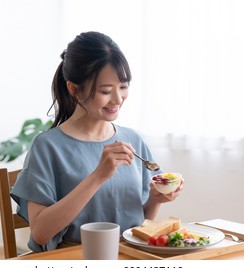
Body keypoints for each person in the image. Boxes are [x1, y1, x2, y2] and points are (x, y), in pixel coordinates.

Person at [10, 31, 183, 252]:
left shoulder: (133, 140)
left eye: (123, 87)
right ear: (74, 89)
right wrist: (98, 176)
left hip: (127, 256)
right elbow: (41, 233)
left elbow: (137, 226)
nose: (118, 99)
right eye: (105, 91)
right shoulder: (47, 147)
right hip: (73, 260)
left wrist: (155, 199)